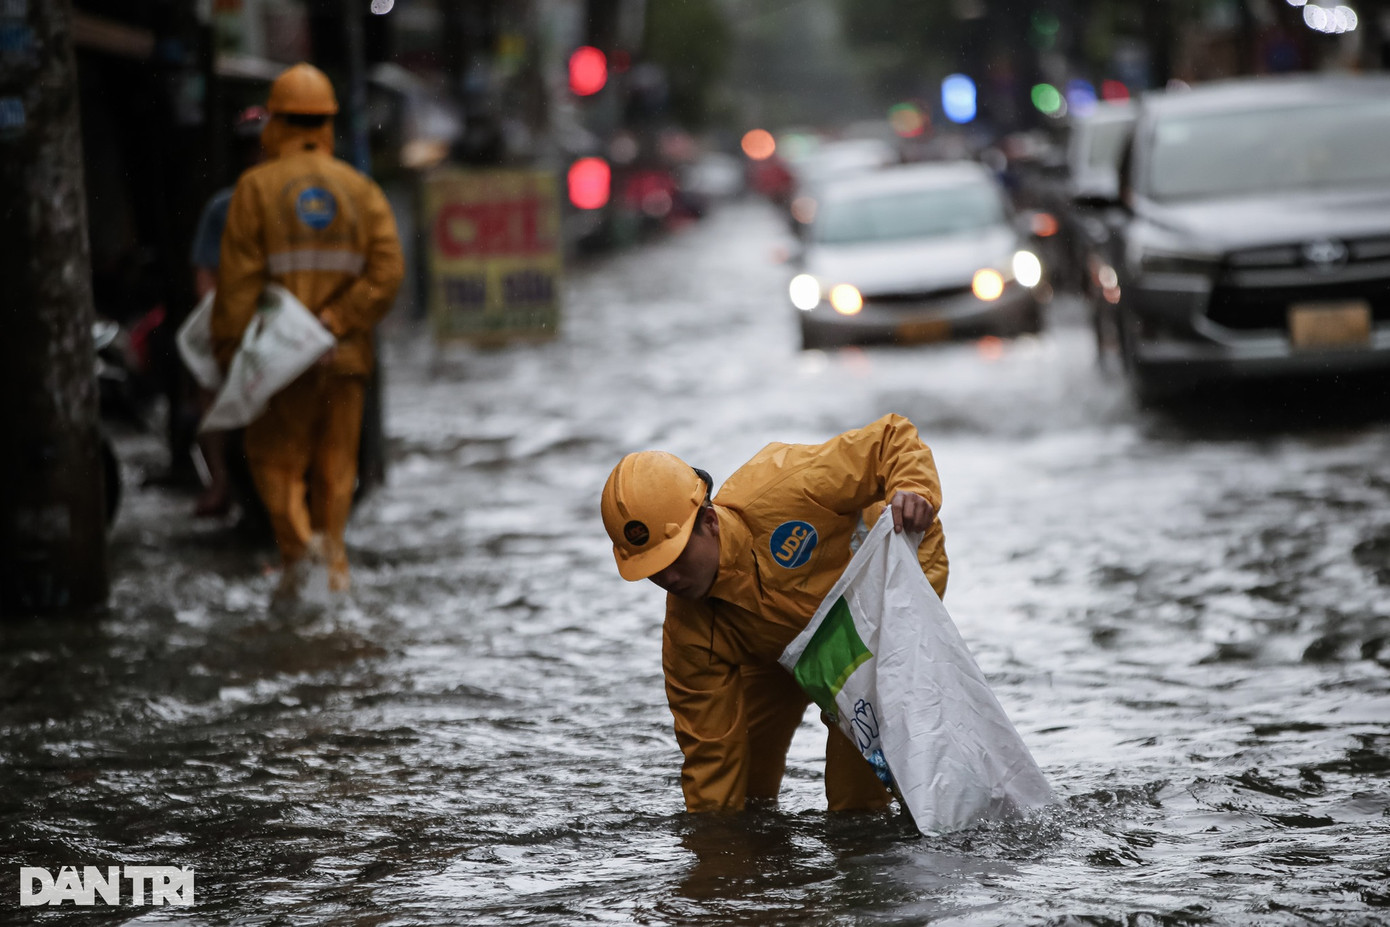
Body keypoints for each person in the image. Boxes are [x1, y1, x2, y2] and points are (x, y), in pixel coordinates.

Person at [600, 413, 948, 815]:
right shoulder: (689, 635)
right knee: (744, 795)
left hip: (881, 592)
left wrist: (912, 488)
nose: (669, 578)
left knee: (855, 798)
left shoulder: (785, 486)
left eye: (675, 556)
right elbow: (710, 760)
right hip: (777, 646)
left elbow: (890, 438)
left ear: (709, 521)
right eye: (652, 569)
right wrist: (715, 853)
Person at [211, 62, 404, 599]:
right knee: (336, 471)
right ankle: (333, 571)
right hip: (343, 361)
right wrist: (335, 324)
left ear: (275, 120)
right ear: (326, 123)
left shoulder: (254, 189)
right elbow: (388, 274)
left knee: (276, 467)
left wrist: (232, 359)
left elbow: (236, 290)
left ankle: (301, 565)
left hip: (278, 366)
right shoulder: (360, 190)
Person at [188, 105, 268, 518]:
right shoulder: (222, 207)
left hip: (283, 321)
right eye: (249, 147)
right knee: (207, 385)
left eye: (262, 146)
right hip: (233, 323)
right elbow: (205, 274)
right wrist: (220, 321)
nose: (256, 155)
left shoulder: (288, 196)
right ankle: (219, 480)